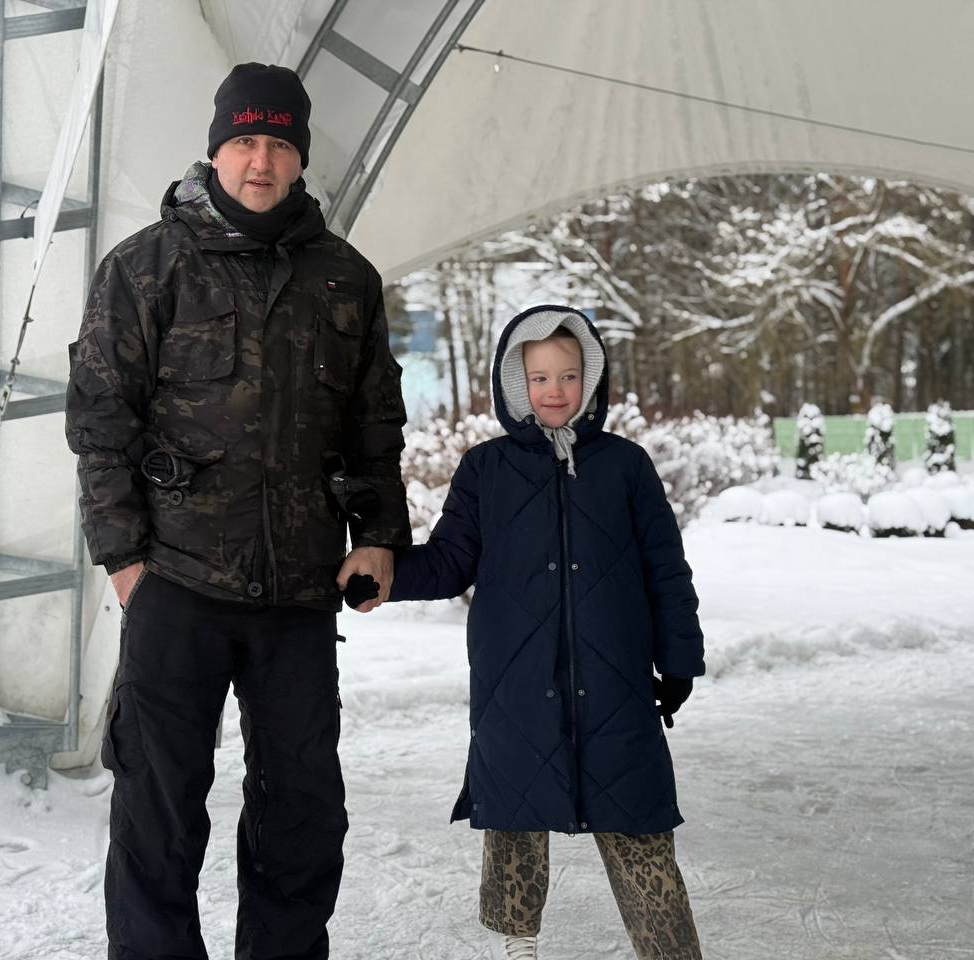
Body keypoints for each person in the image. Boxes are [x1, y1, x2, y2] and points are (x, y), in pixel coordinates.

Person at [64, 62, 410, 960]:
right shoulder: (144, 268)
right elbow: (100, 423)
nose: (262, 161)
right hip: (175, 583)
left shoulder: (346, 279)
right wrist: (126, 563)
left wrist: (378, 535)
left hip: (298, 593)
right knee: (158, 813)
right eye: (246, 141)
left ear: (301, 156)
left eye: (280, 144)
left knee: (302, 812)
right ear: (217, 148)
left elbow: (374, 425)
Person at [388, 305, 704, 960]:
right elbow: (449, 562)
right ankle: (518, 948)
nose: (554, 391)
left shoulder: (625, 466)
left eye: (568, 375)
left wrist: (678, 661)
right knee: (514, 823)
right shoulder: (486, 469)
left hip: (615, 689)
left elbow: (666, 570)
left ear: (591, 380)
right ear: (515, 383)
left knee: (640, 827)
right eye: (538, 378)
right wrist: (384, 575)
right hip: (516, 687)